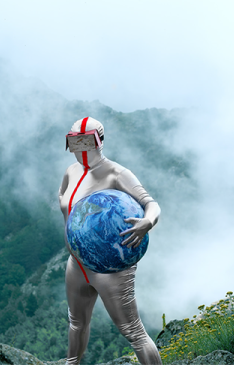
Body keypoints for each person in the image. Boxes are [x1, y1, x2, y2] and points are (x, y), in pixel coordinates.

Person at [59, 116, 163, 365]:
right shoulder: (71, 171)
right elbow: (63, 197)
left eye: (86, 141)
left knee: (133, 332)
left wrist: (147, 222)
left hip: (111, 269)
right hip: (77, 263)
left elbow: (151, 204)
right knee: (76, 322)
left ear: (99, 141)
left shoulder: (117, 173)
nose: (81, 149)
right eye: (75, 142)